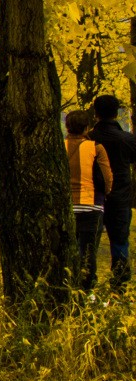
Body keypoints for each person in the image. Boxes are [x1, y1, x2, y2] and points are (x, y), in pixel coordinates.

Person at [91, 95, 136, 295]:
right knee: (119, 241)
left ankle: (87, 282)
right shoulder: (127, 140)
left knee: (89, 242)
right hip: (120, 197)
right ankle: (120, 285)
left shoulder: (89, 139)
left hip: (93, 197)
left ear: (96, 113)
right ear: (116, 113)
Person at [66, 110, 112, 291]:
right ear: (87, 128)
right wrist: (105, 193)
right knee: (88, 252)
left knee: (67, 249)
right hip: (91, 204)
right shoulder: (96, 148)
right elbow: (107, 178)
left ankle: (68, 285)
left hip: (66, 205)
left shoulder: (59, 147)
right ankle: (86, 288)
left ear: (67, 127)